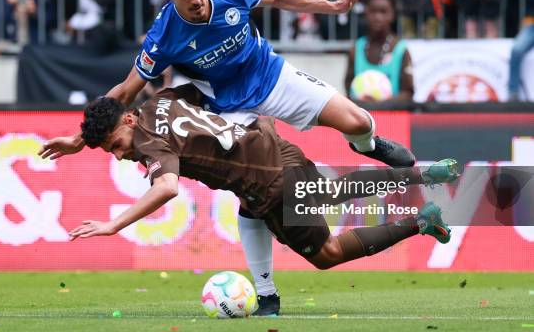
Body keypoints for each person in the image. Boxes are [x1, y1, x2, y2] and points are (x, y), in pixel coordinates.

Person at [39, 0, 414, 316]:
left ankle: (366, 146)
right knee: (249, 192)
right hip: (228, 105)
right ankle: (266, 293)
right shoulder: (163, 35)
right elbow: (123, 92)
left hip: (270, 76)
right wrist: (79, 138)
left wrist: (330, 6)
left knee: (358, 121)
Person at [66, 85, 456, 278]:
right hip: (271, 144)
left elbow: (166, 187)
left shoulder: (150, 143)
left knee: (327, 255)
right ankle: (421, 174)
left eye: (115, 145)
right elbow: (214, 88)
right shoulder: (160, 99)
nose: (118, 154)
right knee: (324, 193)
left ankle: (421, 221)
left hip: (266, 183)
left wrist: (113, 225)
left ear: (129, 121)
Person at [345, 0, 414, 102]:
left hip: (393, 117)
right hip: (363, 117)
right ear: (365, 14)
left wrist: (379, 104)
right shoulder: (356, 49)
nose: (377, 17)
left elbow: (408, 93)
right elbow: (349, 89)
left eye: (383, 12)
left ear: (392, 15)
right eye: (373, 11)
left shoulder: (401, 50)